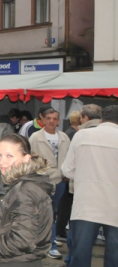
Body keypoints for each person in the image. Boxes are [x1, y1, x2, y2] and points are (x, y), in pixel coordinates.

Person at [0, 134, 53, 266]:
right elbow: (28, 224)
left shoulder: (24, 190)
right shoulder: (26, 184)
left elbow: (22, 240)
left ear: (26, 158)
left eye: (9, 156)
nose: (1, 161)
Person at [61, 104, 116, 267]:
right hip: (115, 206)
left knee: (80, 255)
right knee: (115, 257)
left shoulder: (82, 135)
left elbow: (67, 170)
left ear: (101, 119)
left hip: (86, 203)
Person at [29, 108, 70, 260]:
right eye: (49, 118)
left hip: (60, 180)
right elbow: (28, 158)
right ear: (43, 120)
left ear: (58, 121)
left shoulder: (64, 137)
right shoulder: (35, 137)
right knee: (45, 212)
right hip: (43, 180)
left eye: (55, 118)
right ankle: (49, 243)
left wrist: (66, 173)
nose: (52, 121)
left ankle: (47, 239)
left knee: (53, 211)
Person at [56, 110, 81, 243]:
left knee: (64, 205)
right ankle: (60, 230)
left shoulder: (68, 132)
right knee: (65, 205)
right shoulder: (74, 134)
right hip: (68, 176)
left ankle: (60, 229)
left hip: (66, 175)